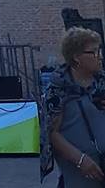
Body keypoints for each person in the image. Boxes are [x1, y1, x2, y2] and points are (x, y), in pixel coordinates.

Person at [41, 27, 105, 186]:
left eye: (100, 50)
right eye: (94, 52)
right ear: (76, 57)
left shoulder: (101, 81)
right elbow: (52, 133)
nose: (100, 56)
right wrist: (80, 160)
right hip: (80, 168)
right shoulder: (58, 88)